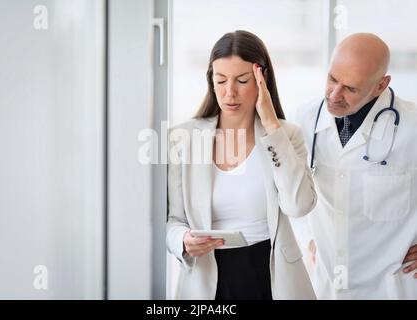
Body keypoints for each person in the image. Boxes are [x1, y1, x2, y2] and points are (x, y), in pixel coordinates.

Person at [166, 30, 316, 300]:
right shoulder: (184, 139)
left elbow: (299, 205)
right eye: (220, 80)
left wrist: (271, 125)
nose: (230, 93)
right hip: (207, 277)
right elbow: (173, 220)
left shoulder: (286, 135)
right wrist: (182, 241)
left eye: (242, 80)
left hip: (270, 274)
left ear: (261, 79)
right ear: (210, 81)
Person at [292, 33, 417, 299]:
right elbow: (289, 193)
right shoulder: (303, 118)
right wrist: (308, 240)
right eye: (332, 79)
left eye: (351, 88)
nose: (335, 96)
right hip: (326, 286)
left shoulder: (413, 126)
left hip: (392, 288)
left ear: (381, 85)